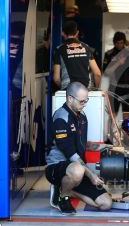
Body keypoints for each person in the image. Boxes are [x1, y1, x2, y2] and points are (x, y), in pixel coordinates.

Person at [45, 82, 112, 215]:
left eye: (86, 100)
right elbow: (71, 153)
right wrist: (92, 175)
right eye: (82, 101)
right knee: (78, 169)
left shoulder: (81, 116)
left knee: (106, 204)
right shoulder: (61, 118)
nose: (85, 104)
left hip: (78, 170)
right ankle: (62, 198)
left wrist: (106, 146)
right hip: (57, 167)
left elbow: (81, 143)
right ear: (70, 98)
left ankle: (68, 189)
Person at [103, 31, 129, 119]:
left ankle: (125, 133)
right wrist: (118, 63)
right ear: (114, 42)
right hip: (115, 88)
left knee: (127, 115)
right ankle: (111, 133)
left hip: (128, 88)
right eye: (118, 43)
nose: (120, 45)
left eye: (122, 43)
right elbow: (106, 73)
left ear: (124, 42)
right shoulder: (109, 54)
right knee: (113, 115)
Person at [53, 20, 101, 90]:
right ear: (77, 33)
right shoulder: (86, 47)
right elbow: (97, 74)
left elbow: (56, 78)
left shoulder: (59, 50)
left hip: (68, 88)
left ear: (62, 33)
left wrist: (63, 87)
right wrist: (97, 90)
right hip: (86, 88)